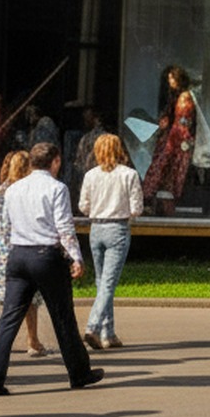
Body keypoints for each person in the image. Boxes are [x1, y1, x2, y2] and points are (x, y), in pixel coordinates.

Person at [0, 142, 102, 395]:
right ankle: (79, 372)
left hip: (18, 255)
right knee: (62, 316)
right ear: (56, 161)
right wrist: (76, 258)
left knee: (9, 317)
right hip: (45, 255)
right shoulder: (57, 188)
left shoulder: (13, 188)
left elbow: (8, 222)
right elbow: (64, 226)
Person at [79, 133, 144, 350]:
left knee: (102, 282)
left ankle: (109, 333)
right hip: (118, 228)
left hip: (96, 228)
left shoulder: (90, 175)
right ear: (119, 150)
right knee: (108, 283)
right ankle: (93, 327)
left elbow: (83, 207)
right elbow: (137, 208)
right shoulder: (129, 175)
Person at [0, 150, 49, 356]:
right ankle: (33, 341)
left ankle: (33, 340)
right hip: (19, 246)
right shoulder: (26, 191)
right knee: (29, 296)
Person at [142, 65, 196, 216]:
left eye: (172, 79)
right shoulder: (176, 97)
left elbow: (183, 123)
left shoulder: (184, 97)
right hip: (173, 139)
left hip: (177, 141)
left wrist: (174, 141)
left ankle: (157, 200)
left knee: (166, 171)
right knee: (163, 172)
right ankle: (158, 201)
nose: (170, 82)